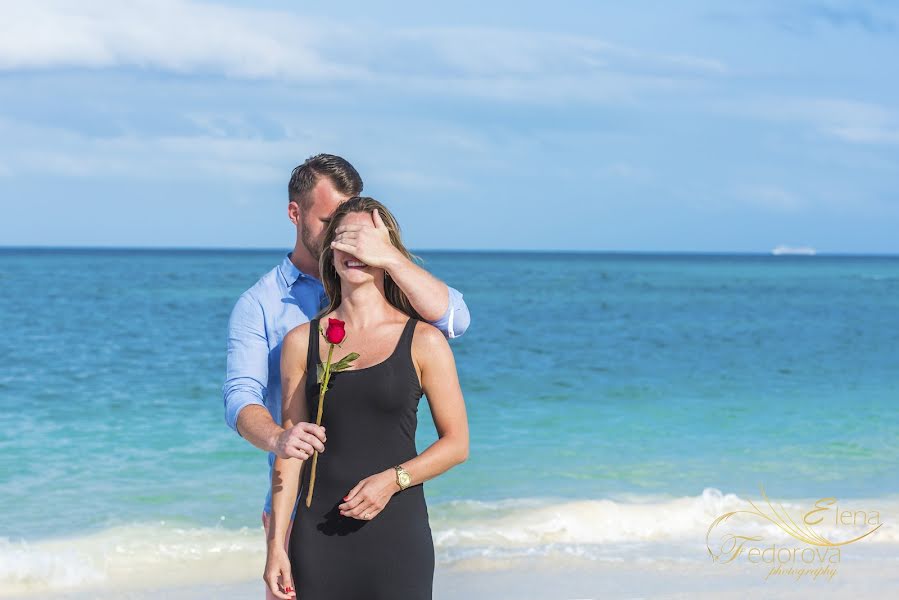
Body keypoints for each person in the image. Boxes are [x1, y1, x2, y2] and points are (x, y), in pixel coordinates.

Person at [221, 154, 471, 599]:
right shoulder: (267, 311)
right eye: (335, 227)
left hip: (395, 526)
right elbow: (242, 400)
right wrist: (276, 539)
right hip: (301, 515)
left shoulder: (416, 325)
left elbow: (456, 320)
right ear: (295, 214)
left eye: (360, 233)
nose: (351, 242)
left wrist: (388, 257)